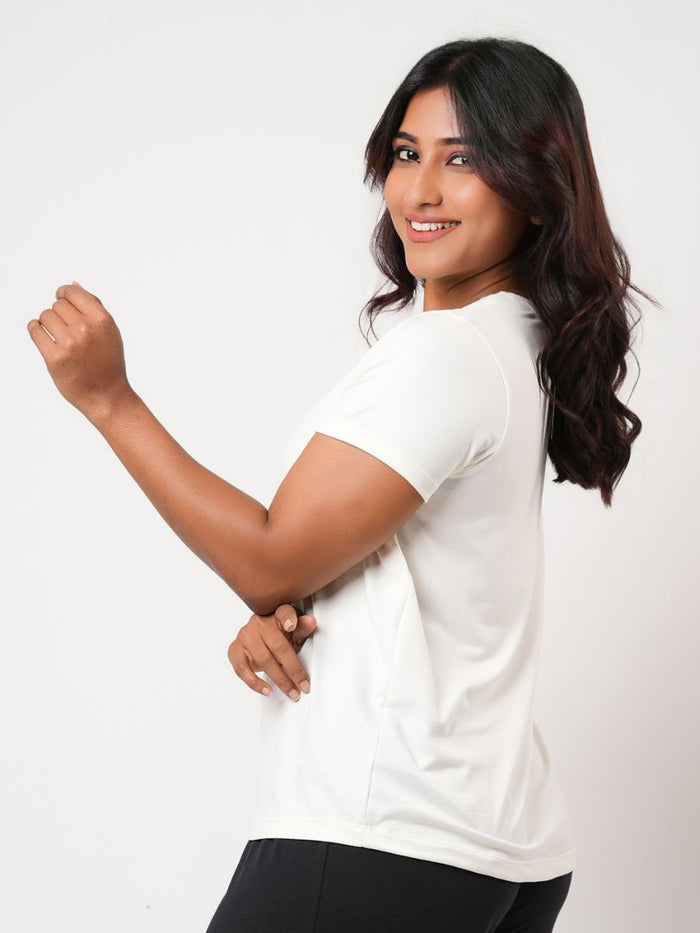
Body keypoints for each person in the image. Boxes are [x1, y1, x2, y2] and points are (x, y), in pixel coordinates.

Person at [26, 36, 660, 933]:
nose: (420, 191)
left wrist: (108, 399)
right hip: (494, 850)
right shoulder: (516, 346)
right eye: (407, 154)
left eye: (464, 159)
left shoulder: (450, 353)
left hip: (381, 840)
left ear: (535, 186)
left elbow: (269, 555)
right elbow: (402, 567)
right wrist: (296, 613)